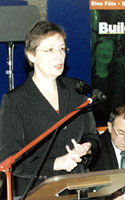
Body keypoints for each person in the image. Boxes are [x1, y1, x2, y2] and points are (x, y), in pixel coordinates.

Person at [0, 21, 100, 197]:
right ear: (31, 55)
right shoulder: (15, 101)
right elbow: (9, 160)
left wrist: (86, 148)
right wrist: (56, 163)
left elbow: (93, 138)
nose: (59, 56)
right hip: (38, 192)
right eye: (50, 50)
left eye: (62, 49)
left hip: (78, 189)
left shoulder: (77, 90)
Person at [91, 36, 115, 126]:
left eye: (109, 50)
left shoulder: (116, 77)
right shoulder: (89, 75)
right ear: (95, 52)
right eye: (102, 49)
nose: (105, 53)